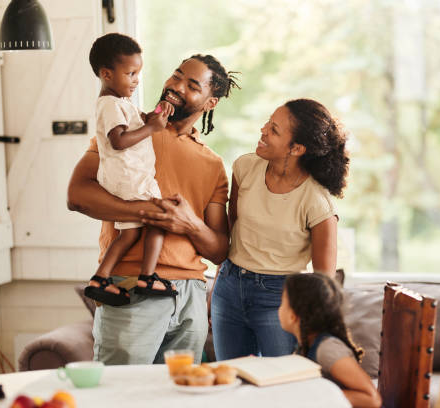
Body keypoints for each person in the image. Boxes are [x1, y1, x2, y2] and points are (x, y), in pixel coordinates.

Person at [67, 53, 239, 364]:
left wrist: (188, 224)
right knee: (120, 396)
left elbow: (219, 251)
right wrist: (149, 213)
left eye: (191, 85)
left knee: (179, 397)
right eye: (176, 75)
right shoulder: (126, 130)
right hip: (131, 287)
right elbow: (77, 195)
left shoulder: (213, 165)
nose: (176, 86)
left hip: (191, 297)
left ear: (209, 103)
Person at [210, 98, 349, 360]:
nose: (263, 130)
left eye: (274, 129)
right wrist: (219, 282)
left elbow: (324, 283)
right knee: (230, 387)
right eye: (268, 122)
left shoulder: (318, 204)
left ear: (296, 148)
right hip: (229, 288)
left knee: (280, 388)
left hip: (280, 299)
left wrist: (309, 329)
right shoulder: (245, 167)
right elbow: (233, 231)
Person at [84, 33, 177, 307]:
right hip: (131, 178)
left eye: (138, 73)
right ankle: (147, 277)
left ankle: (100, 279)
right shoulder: (111, 104)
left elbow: (131, 127)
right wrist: (151, 128)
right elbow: (119, 140)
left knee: (131, 233)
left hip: (123, 179)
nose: (137, 80)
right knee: (161, 217)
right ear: (106, 74)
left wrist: (151, 117)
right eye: (131, 73)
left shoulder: (119, 104)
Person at [279, 273, 382, 408]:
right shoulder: (304, 344)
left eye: (282, 303)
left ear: (293, 316)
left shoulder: (327, 349)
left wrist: (315, 394)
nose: (279, 309)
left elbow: (372, 399)